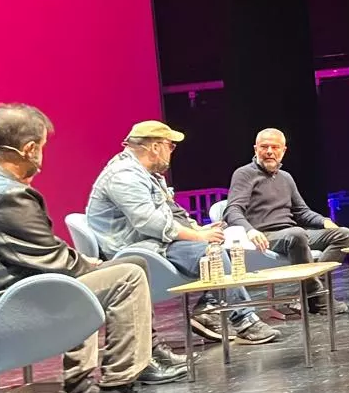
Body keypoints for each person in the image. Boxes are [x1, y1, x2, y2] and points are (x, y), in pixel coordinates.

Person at [0, 105, 182, 393]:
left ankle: (77, 392)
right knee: (128, 275)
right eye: (42, 147)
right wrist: (93, 266)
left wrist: (87, 266)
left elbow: (36, 254)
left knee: (89, 279)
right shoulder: (7, 194)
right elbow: (57, 263)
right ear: (30, 149)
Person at [88, 121, 280, 345]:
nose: (171, 152)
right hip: (137, 249)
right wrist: (199, 237)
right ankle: (245, 321)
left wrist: (197, 228)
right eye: (170, 146)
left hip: (157, 242)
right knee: (211, 252)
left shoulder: (147, 174)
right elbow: (148, 222)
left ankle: (208, 308)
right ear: (155, 147)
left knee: (225, 243)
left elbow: (172, 212)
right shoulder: (124, 176)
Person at [224, 128, 349, 315]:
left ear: (283, 151)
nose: (269, 151)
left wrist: (324, 221)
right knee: (297, 234)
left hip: (292, 235)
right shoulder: (244, 174)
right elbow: (232, 210)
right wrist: (250, 231)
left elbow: (302, 211)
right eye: (264, 147)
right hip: (264, 236)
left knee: (344, 235)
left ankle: (308, 293)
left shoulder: (286, 177)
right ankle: (317, 298)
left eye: (275, 147)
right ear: (255, 149)